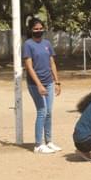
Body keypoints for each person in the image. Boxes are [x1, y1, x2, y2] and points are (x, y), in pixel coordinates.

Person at [23, 17, 61, 154]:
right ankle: (38, 144)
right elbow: (29, 67)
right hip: (35, 84)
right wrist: (39, 84)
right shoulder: (28, 44)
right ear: (31, 30)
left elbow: (52, 63)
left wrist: (56, 82)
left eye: (40, 28)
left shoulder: (47, 43)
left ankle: (49, 141)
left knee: (49, 112)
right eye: (35, 29)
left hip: (49, 82)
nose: (38, 31)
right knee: (42, 111)